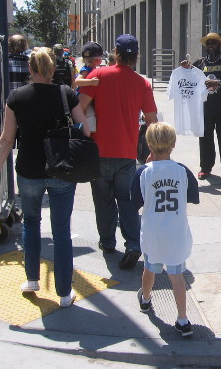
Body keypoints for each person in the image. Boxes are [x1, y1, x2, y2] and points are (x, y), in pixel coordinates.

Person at [0, 47, 89, 307]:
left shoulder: (16, 97)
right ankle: (63, 293)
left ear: (30, 69)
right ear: (51, 69)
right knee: (61, 231)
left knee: (31, 224)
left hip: (28, 169)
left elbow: (6, 140)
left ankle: (32, 280)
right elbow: (86, 129)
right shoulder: (66, 93)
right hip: (61, 169)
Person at [79, 34, 158, 269]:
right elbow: (152, 121)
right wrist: (153, 150)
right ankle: (133, 243)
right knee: (127, 200)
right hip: (127, 150)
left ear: (115, 52)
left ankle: (107, 243)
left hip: (99, 150)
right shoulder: (142, 83)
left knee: (103, 200)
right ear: (137, 56)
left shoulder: (98, 75)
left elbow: (80, 106)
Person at [130, 122, 199, 337]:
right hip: (176, 233)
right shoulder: (182, 171)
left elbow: (135, 203)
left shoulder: (143, 172)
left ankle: (146, 299)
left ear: (148, 145)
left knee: (150, 268)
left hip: (154, 233)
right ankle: (183, 319)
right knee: (176, 275)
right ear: (174, 144)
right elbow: (192, 197)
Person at [181, 32, 221, 181]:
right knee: (205, 139)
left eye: (214, 43)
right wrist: (185, 68)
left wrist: (219, 83)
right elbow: (186, 77)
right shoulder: (200, 63)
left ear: (219, 45)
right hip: (204, 109)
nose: (210, 46)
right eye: (208, 44)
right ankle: (205, 168)